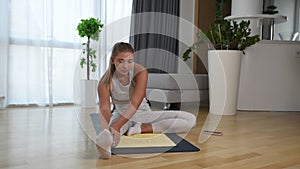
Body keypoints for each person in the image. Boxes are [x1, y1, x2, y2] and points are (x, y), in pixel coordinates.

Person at [96, 42, 196, 159]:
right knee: (112, 132)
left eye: (129, 61)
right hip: (121, 115)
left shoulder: (141, 72)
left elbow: (135, 103)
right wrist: (107, 130)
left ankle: (141, 128)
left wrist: (117, 125)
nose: (125, 66)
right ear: (113, 60)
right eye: (120, 61)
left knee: (190, 119)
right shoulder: (104, 83)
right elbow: (104, 108)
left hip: (144, 114)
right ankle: (105, 146)